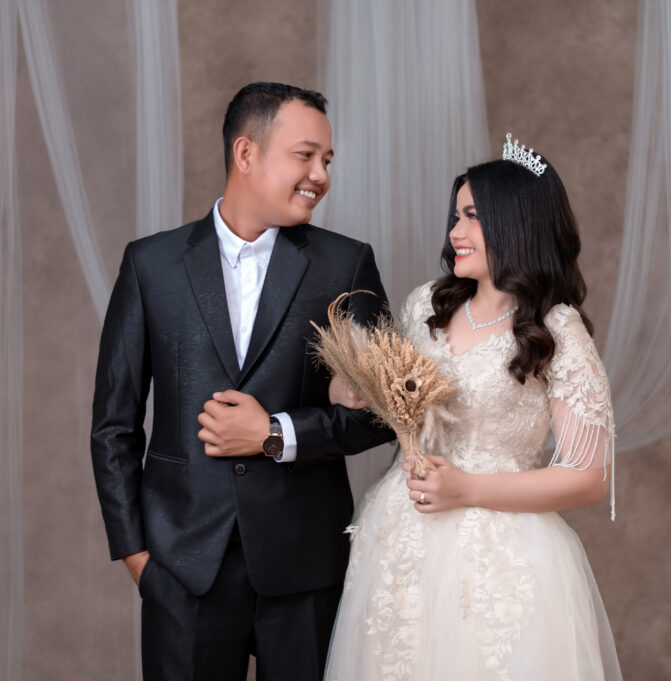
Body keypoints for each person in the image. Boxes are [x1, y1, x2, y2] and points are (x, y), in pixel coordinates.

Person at [90, 82, 394, 681]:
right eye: (305, 156)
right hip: (182, 569)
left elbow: (385, 413)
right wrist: (138, 557)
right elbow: (113, 426)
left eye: (327, 160)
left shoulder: (345, 264)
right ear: (246, 153)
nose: (321, 175)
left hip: (305, 568)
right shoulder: (151, 265)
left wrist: (275, 434)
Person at [323, 137, 623, 680]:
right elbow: (394, 403)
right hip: (401, 539)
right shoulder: (426, 305)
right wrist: (350, 388)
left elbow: (589, 477)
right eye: (455, 217)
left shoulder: (555, 331)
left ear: (518, 224)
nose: (455, 234)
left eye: (472, 217)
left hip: (501, 558)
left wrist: (468, 489)